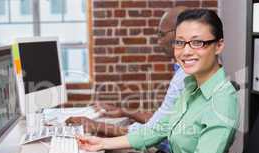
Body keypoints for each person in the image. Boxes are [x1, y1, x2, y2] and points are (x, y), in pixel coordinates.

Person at [76, 9, 239, 153]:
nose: (186, 51)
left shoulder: (222, 99)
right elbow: (159, 129)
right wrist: (102, 143)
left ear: (218, 45)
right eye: (180, 42)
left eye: (197, 42)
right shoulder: (191, 85)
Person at [66, 7, 187, 141]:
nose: (158, 41)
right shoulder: (182, 71)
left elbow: (152, 133)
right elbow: (163, 119)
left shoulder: (184, 76)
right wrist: (126, 112)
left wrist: (96, 125)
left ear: (179, 34)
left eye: (161, 34)